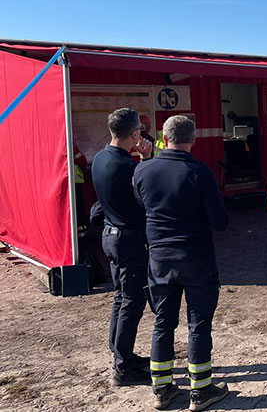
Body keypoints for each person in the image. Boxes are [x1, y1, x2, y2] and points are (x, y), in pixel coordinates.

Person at [133, 115, 229, 411]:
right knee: (199, 323)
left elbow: (141, 206)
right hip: (196, 257)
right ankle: (201, 392)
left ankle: (162, 388)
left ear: (163, 136)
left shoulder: (142, 171)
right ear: (193, 139)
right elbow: (220, 222)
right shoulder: (200, 173)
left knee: (163, 321)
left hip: (159, 259)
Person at [91, 108, 154, 386]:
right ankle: (122, 368)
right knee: (132, 300)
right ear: (134, 133)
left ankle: (121, 353)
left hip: (111, 234)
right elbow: (145, 197)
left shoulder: (102, 157)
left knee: (121, 297)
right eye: (139, 130)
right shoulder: (128, 167)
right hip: (128, 239)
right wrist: (147, 159)